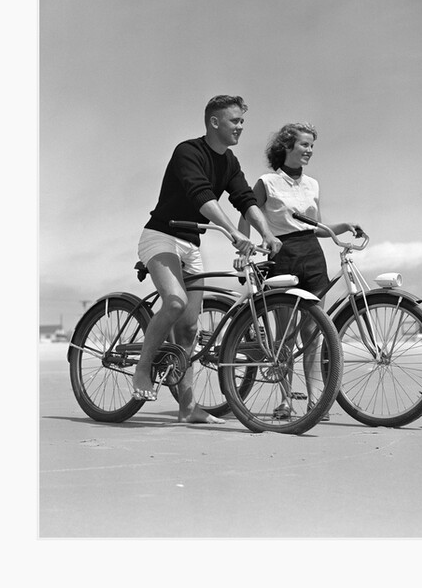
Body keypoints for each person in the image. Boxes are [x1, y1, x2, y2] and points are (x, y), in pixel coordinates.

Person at [130, 95, 283, 424]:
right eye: (235, 121)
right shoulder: (188, 152)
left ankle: (188, 409)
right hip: (161, 236)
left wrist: (267, 233)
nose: (240, 127)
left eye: (243, 121)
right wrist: (232, 231)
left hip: (190, 244)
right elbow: (201, 194)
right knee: (173, 302)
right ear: (215, 122)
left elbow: (244, 198)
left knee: (188, 329)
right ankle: (143, 370)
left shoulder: (229, 163)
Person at [238, 122, 361, 420]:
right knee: (285, 335)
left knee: (313, 332)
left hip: (313, 257)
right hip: (282, 256)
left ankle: (315, 402)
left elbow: (315, 227)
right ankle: (285, 401)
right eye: (304, 145)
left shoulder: (313, 184)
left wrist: (343, 226)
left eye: (311, 147)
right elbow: (246, 218)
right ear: (286, 146)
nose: (309, 151)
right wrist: (241, 251)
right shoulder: (266, 182)